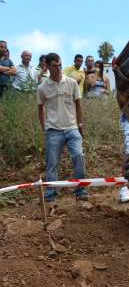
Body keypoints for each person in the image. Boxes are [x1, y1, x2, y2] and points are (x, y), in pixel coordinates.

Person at [37, 53, 88, 202]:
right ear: (46, 66)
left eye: (60, 65)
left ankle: (81, 190)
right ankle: (51, 192)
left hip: (72, 128)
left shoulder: (71, 82)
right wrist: (44, 128)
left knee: (79, 156)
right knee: (52, 163)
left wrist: (80, 125)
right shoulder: (42, 87)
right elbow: (40, 108)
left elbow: (78, 104)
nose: (58, 68)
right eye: (55, 66)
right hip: (53, 131)